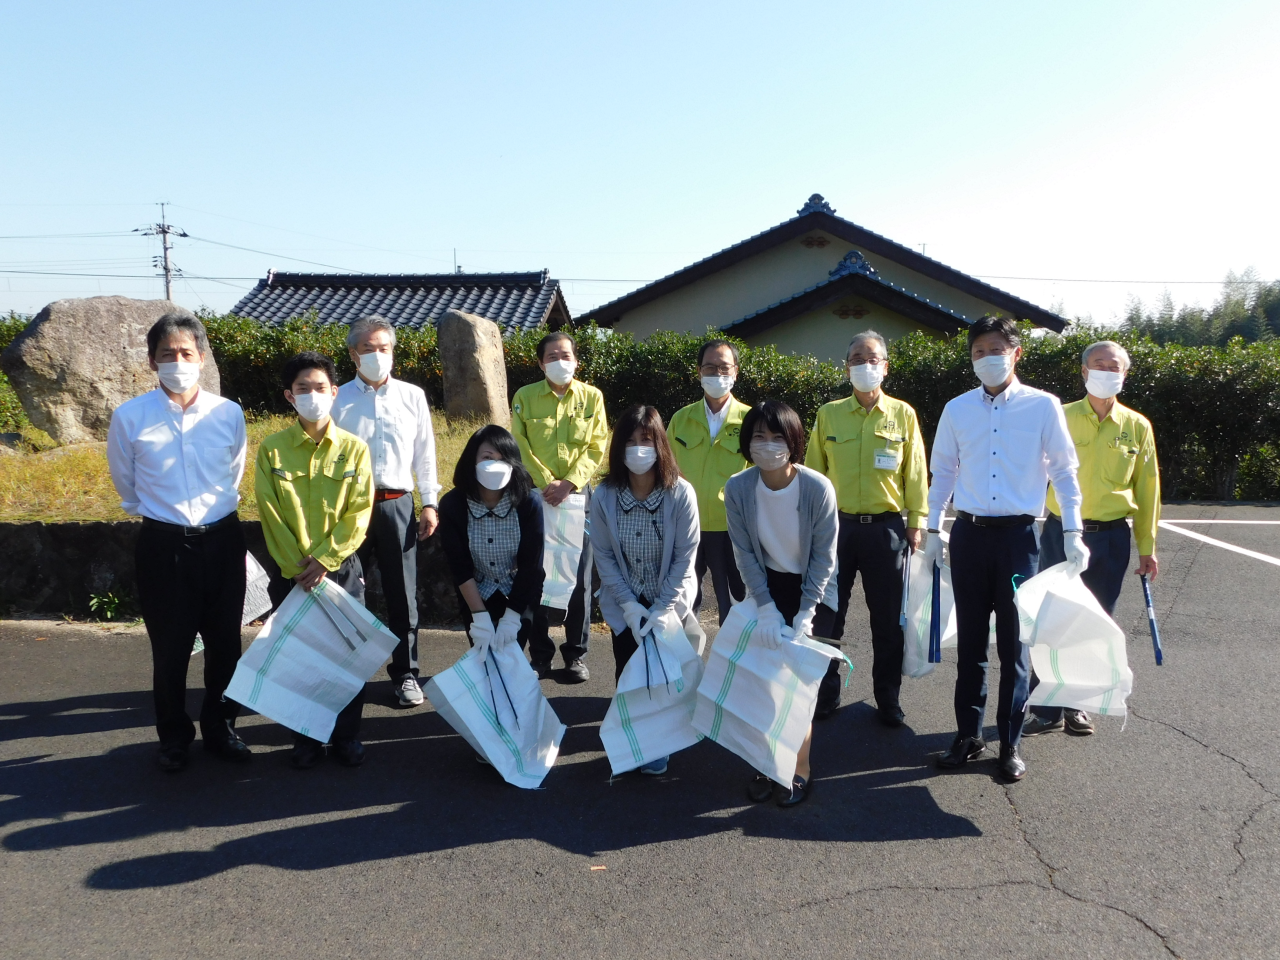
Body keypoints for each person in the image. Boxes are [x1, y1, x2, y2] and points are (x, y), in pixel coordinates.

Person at [925, 316, 1085, 783]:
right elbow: (944, 474)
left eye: (996, 349)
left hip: (1019, 540)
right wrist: (934, 531)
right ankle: (967, 735)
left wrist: (1073, 532)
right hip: (970, 536)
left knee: (1015, 645)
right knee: (971, 643)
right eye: (978, 351)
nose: (986, 358)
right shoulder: (957, 409)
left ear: (1016, 353)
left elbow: (1064, 471)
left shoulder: (1043, 407)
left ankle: (1009, 743)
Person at [107, 313, 250, 773]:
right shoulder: (130, 416)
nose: (178, 361)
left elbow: (235, 473)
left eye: (187, 353)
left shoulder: (228, 413)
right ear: (152, 360)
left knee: (227, 644)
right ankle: (173, 737)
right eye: (167, 354)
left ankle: (222, 728)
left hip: (223, 540)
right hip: (163, 546)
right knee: (169, 648)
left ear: (202, 358)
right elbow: (126, 485)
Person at [1023, 340, 1160, 738]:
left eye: (1112, 365)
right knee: (1051, 620)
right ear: (1084, 372)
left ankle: (1078, 708)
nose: (1105, 370)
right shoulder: (1059, 417)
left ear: (1124, 374)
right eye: (1097, 364)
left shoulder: (1137, 426)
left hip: (1112, 537)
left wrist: (1147, 547)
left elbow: (1148, 488)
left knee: (1097, 621)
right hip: (1061, 532)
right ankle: (1045, 708)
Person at [255, 351, 374, 769]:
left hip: (342, 568)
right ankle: (305, 738)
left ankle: (347, 737)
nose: (312, 395)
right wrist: (300, 568)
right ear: (289, 396)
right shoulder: (272, 450)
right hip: (294, 574)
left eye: (319, 387)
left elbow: (359, 512)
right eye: (302, 389)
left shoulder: (355, 449)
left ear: (334, 392)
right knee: (301, 658)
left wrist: (325, 559)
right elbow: (269, 512)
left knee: (348, 656)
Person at [805, 330, 928, 726]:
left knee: (888, 620)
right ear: (846, 368)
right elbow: (813, 474)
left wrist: (917, 523)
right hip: (835, 529)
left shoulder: (903, 414)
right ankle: (825, 694)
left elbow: (915, 474)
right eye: (857, 359)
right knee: (828, 616)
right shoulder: (828, 414)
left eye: (872, 359)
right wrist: (810, 526)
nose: (865, 365)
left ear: (885, 367)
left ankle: (887, 698)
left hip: (887, 530)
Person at [725, 400, 839, 807]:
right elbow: (745, 555)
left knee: (798, 686)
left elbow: (824, 559)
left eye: (777, 437)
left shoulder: (816, 487)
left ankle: (798, 768)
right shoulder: (738, 488)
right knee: (763, 680)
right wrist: (766, 606)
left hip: (815, 591)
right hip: (767, 587)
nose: (767, 445)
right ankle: (764, 761)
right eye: (758, 436)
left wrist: (806, 614)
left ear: (793, 442)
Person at [333, 315, 440, 708]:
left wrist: (430, 502)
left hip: (397, 502)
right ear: (352, 354)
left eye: (384, 348)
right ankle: (348, 674)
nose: (377, 355)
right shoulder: (337, 398)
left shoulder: (411, 396)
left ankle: (407, 673)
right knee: (346, 593)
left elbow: (425, 453)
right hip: (349, 509)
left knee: (402, 594)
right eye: (368, 348)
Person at [592, 405, 701, 776]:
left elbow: (685, 557)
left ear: (660, 445)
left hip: (667, 600)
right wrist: (629, 605)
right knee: (629, 671)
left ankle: (663, 741)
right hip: (627, 602)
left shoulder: (680, 494)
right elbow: (603, 555)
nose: (639, 448)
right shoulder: (604, 495)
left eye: (647, 440)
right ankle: (635, 738)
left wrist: (662, 608)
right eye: (630, 441)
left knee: (667, 674)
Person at [510, 331, 609, 682]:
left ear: (576, 360)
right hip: (537, 498)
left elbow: (598, 444)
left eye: (566, 355)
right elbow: (518, 442)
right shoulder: (525, 396)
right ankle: (540, 654)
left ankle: (575, 655)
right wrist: (545, 481)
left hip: (578, 496)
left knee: (580, 577)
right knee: (537, 574)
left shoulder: (592, 397)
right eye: (552, 356)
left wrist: (568, 483)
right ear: (540, 363)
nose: (559, 362)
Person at [437, 424, 545, 664]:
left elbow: (531, 565)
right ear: (472, 460)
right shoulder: (453, 504)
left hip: (519, 590)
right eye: (487, 457)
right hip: (477, 590)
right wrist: (479, 615)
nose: (495, 465)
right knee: (483, 657)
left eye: (503, 459)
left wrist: (512, 615)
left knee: (509, 657)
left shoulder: (529, 503)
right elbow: (459, 565)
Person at [667, 338, 749, 626]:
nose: (717, 374)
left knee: (737, 603)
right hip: (687, 528)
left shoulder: (751, 420)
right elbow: (667, 469)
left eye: (724, 367)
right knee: (684, 603)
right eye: (710, 367)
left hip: (733, 529)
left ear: (736, 372)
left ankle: (735, 667)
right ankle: (685, 666)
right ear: (699, 372)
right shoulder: (681, 419)